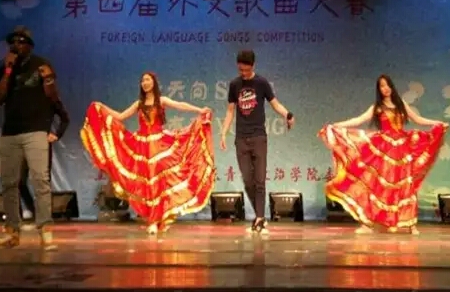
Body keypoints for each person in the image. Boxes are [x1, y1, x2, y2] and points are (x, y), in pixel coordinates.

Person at [81, 72, 215, 235]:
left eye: (147, 80)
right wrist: (102, 108)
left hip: (159, 144)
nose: (145, 83)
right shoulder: (139, 103)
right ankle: (152, 220)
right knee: (148, 184)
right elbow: (120, 116)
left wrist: (199, 110)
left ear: (153, 82)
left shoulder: (161, 100)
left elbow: (180, 105)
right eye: (142, 80)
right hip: (142, 147)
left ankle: (157, 219)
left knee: (159, 182)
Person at [319, 74, 448, 235]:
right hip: (384, 149)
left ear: (391, 87)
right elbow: (359, 120)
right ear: (379, 89)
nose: (385, 88)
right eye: (381, 86)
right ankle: (367, 224)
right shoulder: (377, 107)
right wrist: (338, 125)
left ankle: (410, 224)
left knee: (406, 185)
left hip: (402, 149)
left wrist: (436, 123)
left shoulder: (401, 104)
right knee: (377, 185)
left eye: (387, 85)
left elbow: (418, 119)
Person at [0, 26, 61, 250]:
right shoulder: (4, 69)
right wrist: (8, 71)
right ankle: (12, 231)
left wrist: (48, 80)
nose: (16, 45)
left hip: (36, 130)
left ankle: (45, 230)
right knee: (9, 183)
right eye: (13, 42)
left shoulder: (41, 64)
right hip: (10, 131)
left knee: (41, 180)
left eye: (21, 42)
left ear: (30, 46)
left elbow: (53, 98)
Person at [220, 50, 295, 235]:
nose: (243, 73)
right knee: (248, 180)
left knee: (259, 180)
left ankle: (260, 218)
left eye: (246, 70)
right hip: (241, 138)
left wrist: (287, 114)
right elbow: (230, 111)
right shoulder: (234, 84)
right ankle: (260, 215)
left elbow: (275, 103)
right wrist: (223, 133)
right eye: (240, 70)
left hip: (258, 137)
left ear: (253, 66)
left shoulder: (261, 83)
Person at [19, 99, 70, 222]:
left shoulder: (49, 97)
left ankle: (44, 215)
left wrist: (57, 134)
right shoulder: (23, 97)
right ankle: (34, 211)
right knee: (19, 181)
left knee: (43, 181)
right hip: (24, 143)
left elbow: (65, 119)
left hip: (42, 143)